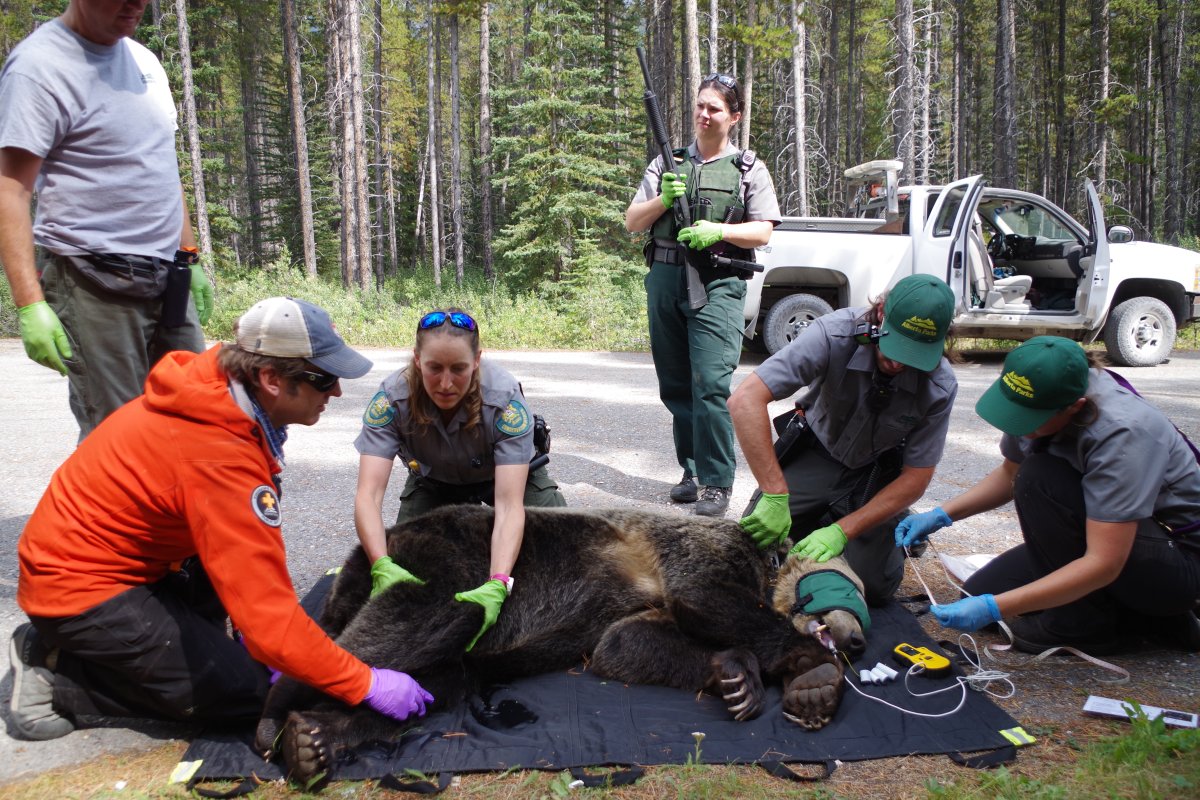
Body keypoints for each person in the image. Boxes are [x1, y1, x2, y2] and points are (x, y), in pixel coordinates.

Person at [8, 297, 432, 741]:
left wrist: (268, 637)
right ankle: (60, 673)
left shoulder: (225, 397)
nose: (337, 392)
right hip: (79, 588)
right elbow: (270, 622)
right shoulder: (218, 455)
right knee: (248, 694)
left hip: (149, 561)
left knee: (249, 655)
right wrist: (365, 683)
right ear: (269, 378)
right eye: (322, 379)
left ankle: (140, 653)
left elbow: (254, 566)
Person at [898, 336, 1200, 653]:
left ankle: (1088, 627)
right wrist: (941, 516)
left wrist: (996, 607)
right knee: (977, 593)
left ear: (1075, 406)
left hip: (1176, 561)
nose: (1018, 426)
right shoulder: (1038, 393)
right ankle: (1134, 614)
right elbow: (1008, 474)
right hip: (1107, 535)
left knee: (1040, 477)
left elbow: (1104, 562)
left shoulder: (1124, 433)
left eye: (1029, 418)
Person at [0, 0, 214, 439]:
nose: (137, 5)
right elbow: (10, 191)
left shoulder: (144, 60)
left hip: (166, 276)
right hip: (91, 279)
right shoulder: (39, 67)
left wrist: (188, 256)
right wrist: (30, 304)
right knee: (119, 439)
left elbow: (162, 166)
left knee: (195, 419)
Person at [729, 275, 958, 605]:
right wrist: (775, 494)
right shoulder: (833, 333)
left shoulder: (940, 384)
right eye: (895, 347)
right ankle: (836, 518)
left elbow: (916, 477)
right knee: (757, 543)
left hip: (876, 473)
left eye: (913, 355)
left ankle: (885, 522)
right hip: (818, 452)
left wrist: (843, 531)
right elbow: (745, 400)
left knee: (873, 589)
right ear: (880, 313)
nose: (898, 363)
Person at [353, 308, 566, 647]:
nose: (446, 383)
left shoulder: (505, 398)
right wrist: (380, 564)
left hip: (503, 478)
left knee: (563, 544)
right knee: (410, 559)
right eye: (434, 368)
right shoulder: (392, 399)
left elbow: (509, 507)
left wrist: (498, 583)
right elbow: (368, 496)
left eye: (459, 369)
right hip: (434, 483)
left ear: (477, 361)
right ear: (417, 359)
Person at [625, 72, 781, 517]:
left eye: (714, 108)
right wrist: (662, 200)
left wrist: (720, 229)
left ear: (734, 117)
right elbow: (633, 221)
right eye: (699, 106)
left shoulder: (749, 168)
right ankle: (691, 472)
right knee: (675, 383)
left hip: (719, 282)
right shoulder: (666, 163)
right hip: (665, 278)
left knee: (710, 384)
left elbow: (764, 229)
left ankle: (717, 482)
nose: (704, 114)